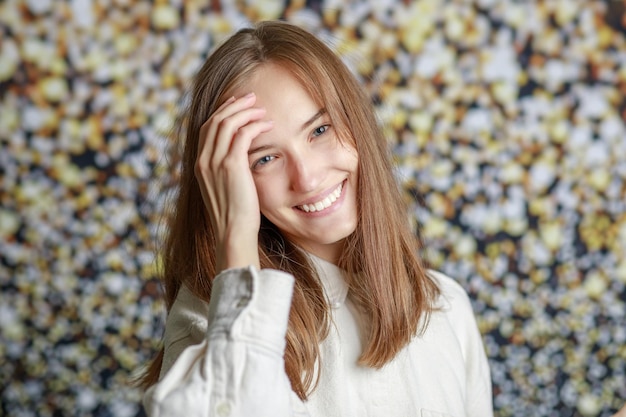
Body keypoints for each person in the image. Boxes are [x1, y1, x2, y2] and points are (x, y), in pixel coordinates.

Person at [139, 20, 493, 417]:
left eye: (320, 130)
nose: (307, 178)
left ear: (356, 124)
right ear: (227, 177)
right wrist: (236, 237)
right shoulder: (208, 317)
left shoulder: (445, 306)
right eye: (265, 159)